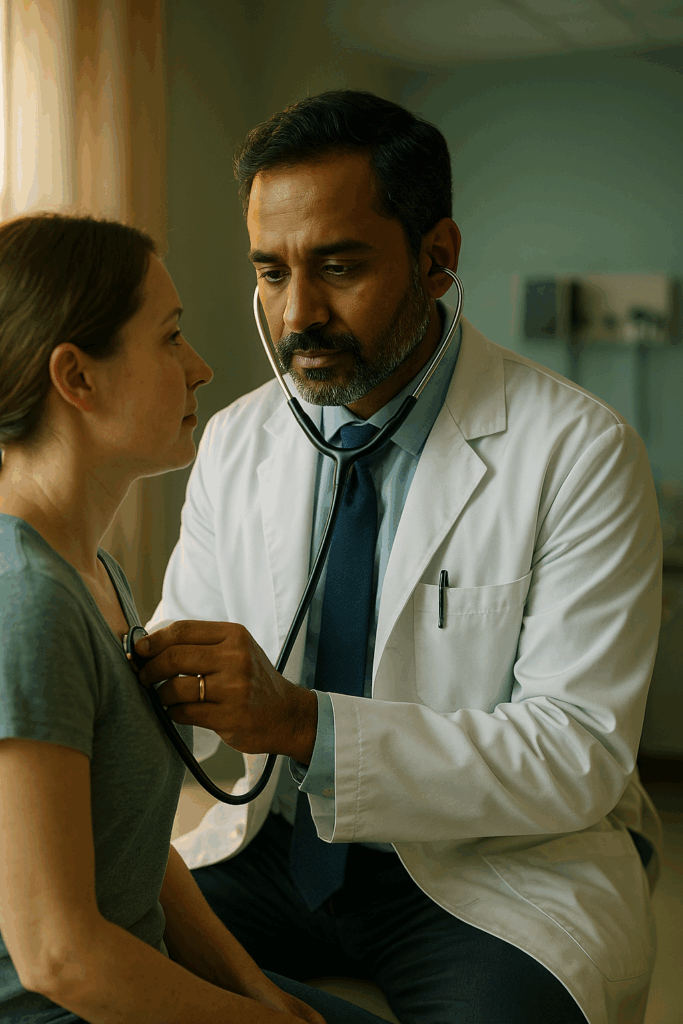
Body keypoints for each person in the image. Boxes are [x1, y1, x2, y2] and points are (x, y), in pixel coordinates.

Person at [140, 91, 664, 1024]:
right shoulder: (235, 441)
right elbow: (192, 697)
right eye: (270, 271)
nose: (297, 311)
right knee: (83, 980)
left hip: (491, 868)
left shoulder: (578, 451)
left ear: (436, 259)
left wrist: (306, 723)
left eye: (338, 267)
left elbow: (577, 751)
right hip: (274, 848)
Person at [0, 212, 388, 1024]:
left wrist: (256, 991)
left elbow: (135, 848)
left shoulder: (93, 572)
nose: (202, 368)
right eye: (170, 339)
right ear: (78, 378)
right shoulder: (26, 602)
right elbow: (59, 957)